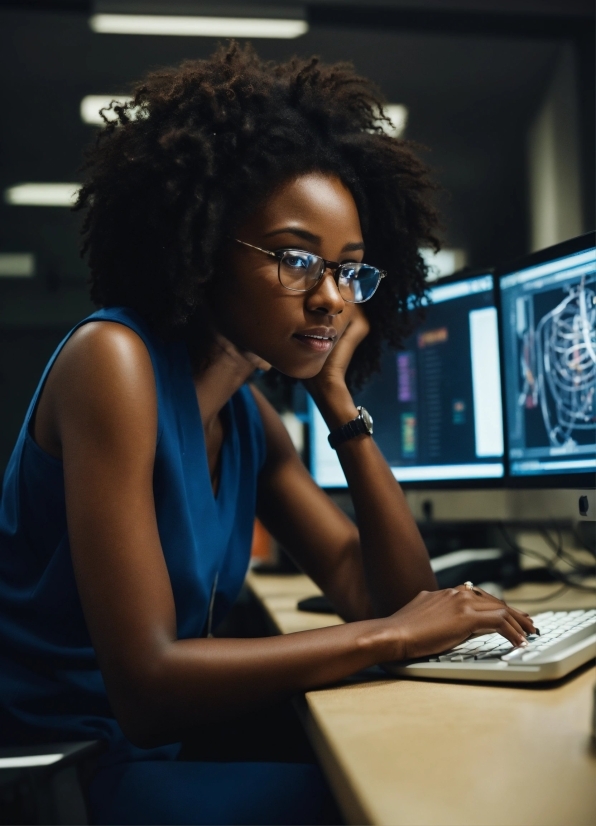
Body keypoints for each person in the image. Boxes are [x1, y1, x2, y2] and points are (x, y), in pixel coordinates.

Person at [0, 43, 535, 825]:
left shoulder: (247, 414)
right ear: (206, 245)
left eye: (348, 270)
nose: (330, 299)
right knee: (407, 802)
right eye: (295, 259)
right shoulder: (111, 363)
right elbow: (147, 686)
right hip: (64, 776)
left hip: (145, 754)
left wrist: (335, 396)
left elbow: (382, 590)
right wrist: (386, 637)